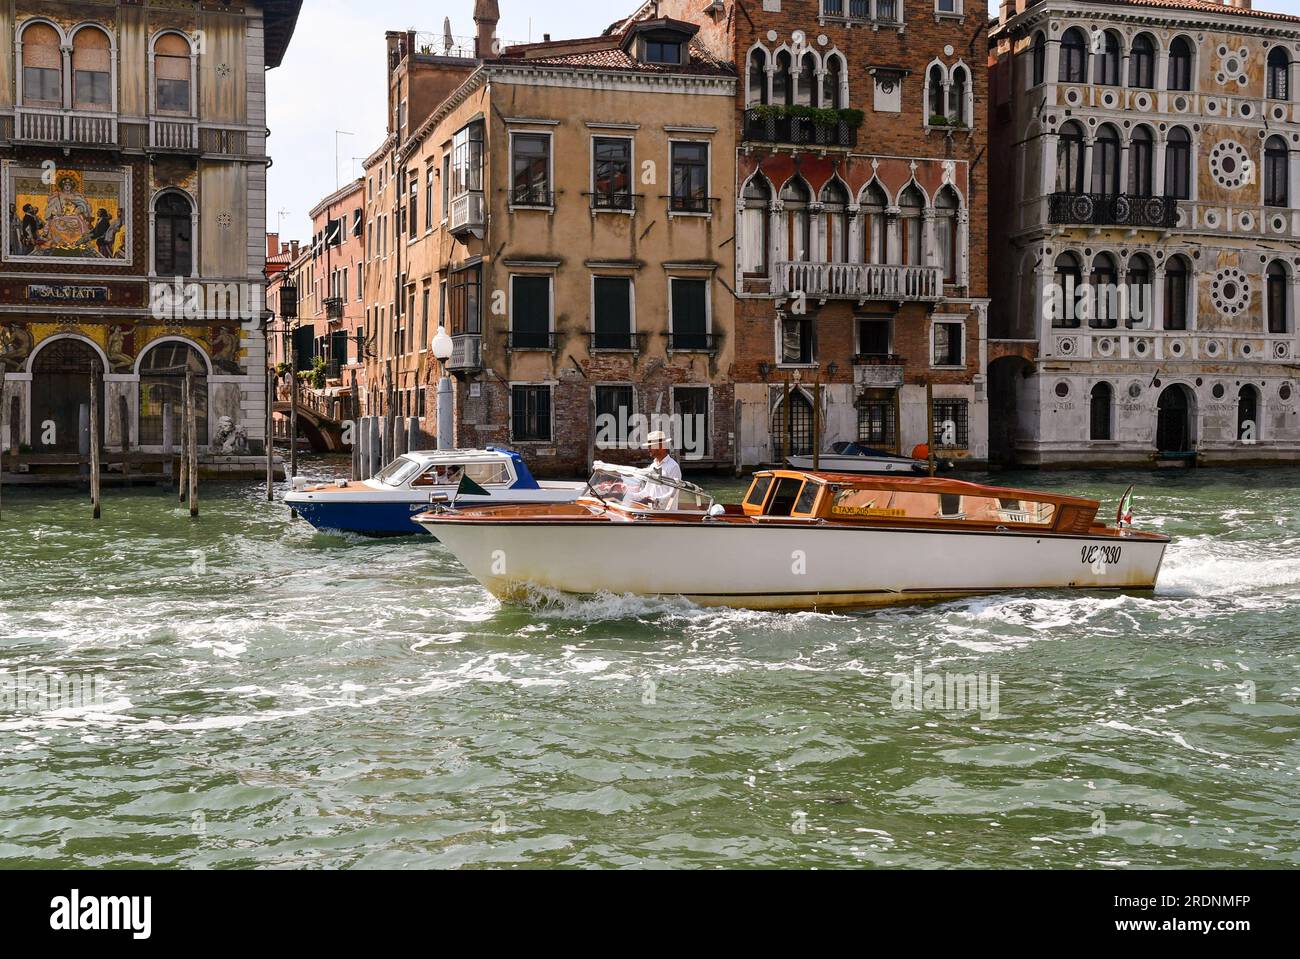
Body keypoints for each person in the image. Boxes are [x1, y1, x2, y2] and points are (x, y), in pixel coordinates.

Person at [642, 430, 681, 510]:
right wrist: (628, 493)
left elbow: (673, 493)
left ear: (661, 447)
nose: (648, 449)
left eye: (651, 446)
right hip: (652, 511)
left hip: (667, 515)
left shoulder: (673, 466)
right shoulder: (653, 466)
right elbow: (646, 491)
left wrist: (657, 500)